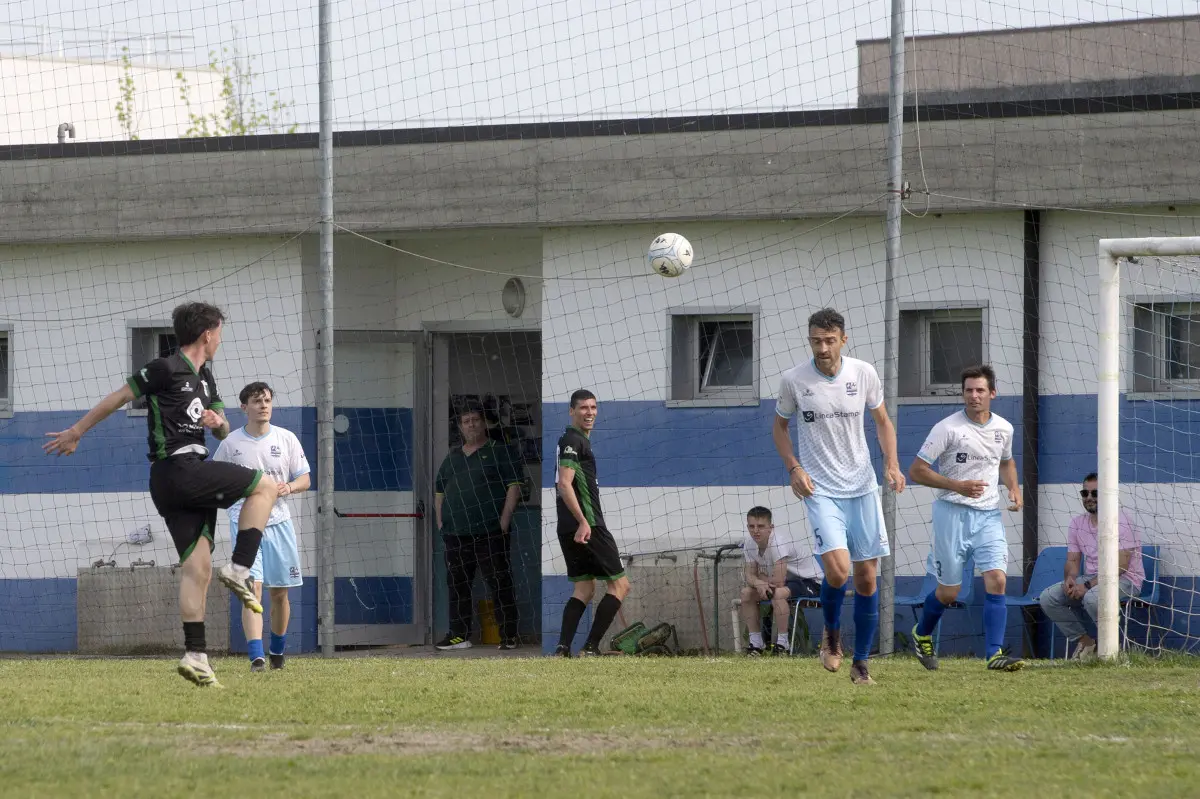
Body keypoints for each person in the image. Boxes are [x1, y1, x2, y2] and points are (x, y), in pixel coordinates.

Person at [43, 302, 275, 687]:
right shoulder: (164, 368)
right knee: (265, 486)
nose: (220, 340)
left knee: (198, 569)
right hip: (179, 470)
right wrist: (77, 431)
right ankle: (239, 569)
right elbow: (119, 396)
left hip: (179, 478)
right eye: (219, 333)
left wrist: (218, 423)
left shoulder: (206, 377)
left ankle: (196, 656)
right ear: (207, 334)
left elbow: (222, 428)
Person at [772, 308, 905, 685]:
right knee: (837, 569)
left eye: (830, 341)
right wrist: (794, 468)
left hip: (862, 488)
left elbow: (883, 421)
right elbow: (779, 428)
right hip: (820, 489)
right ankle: (831, 634)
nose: (823, 348)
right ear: (809, 340)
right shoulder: (794, 380)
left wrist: (892, 464)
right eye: (816, 341)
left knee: (866, 579)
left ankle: (861, 664)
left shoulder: (863, 373)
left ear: (843, 340)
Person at [907, 365, 1026, 672]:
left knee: (997, 579)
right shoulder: (947, 428)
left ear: (992, 393)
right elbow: (917, 471)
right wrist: (956, 485)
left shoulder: (1004, 428)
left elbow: (1006, 462)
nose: (974, 395)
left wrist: (1014, 488)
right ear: (962, 394)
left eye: (980, 390)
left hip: (988, 515)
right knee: (949, 592)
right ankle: (922, 633)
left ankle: (994, 655)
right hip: (951, 515)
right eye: (969, 390)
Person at [212, 382, 310, 671]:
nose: (263, 406)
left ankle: (277, 652)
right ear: (244, 407)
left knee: (279, 593)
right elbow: (215, 481)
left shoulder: (286, 438)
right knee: (251, 589)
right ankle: (256, 658)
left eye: (267, 400)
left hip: (278, 522)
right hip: (244, 523)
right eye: (257, 401)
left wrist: (289, 487)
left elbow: (305, 478)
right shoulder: (230, 444)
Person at [433, 402, 523, 651]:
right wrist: (440, 522)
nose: (471, 425)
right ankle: (458, 636)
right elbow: (439, 492)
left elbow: (514, 487)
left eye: (475, 420)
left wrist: (504, 522)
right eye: (466, 421)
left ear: (484, 423)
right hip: (455, 533)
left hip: (490, 531)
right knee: (457, 585)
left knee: (500, 583)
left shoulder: (500, 451)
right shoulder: (453, 457)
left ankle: (509, 636)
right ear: (460, 427)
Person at [552, 390, 632, 657]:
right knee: (620, 585)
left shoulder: (573, 440)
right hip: (589, 526)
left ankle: (562, 649)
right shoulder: (572, 440)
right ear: (571, 411)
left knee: (584, 588)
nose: (589, 412)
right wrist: (584, 522)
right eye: (583, 408)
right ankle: (590, 647)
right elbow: (564, 484)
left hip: (568, 527)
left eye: (593, 407)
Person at [1038, 472, 1144, 660]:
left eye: (1095, 493)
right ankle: (1087, 644)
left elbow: (1120, 566)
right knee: (1048, 598)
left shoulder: (1122, 521)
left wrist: (1086, 586)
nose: (1089, 498)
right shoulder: (1077, 523)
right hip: (1092, 579)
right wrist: (1070, 579)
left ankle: (1111, 649)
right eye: (1084, 493)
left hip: (1125, 580)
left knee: (1092, 598)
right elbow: (1073, 560)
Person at [739, 506, 822, 656]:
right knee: (746, 594)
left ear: (770, 527)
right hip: (788, 583)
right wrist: (759, 583)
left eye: (760, 526)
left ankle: (783, 645)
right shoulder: (749, 544)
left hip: (811, 581)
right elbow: (750, 575)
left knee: (777, 593)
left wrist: (761, 579)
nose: (756, 531)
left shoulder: (779, 542)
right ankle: (756, 644)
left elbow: (778, 582)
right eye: (751, 526)